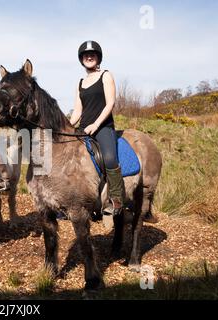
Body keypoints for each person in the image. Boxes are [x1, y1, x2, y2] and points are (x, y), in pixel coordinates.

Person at [70, 41, 157, 223]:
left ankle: (116, 199)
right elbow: (77, 111)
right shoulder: (80, 83)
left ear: (98, 57)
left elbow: (110, 103)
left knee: (109, 157)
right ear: (81, 59)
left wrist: (96, 124)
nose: (89, 56)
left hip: (103, 127)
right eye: (86, 55)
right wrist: (66, 127)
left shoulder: (106, 76)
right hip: (83, 128)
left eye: (92, 54)